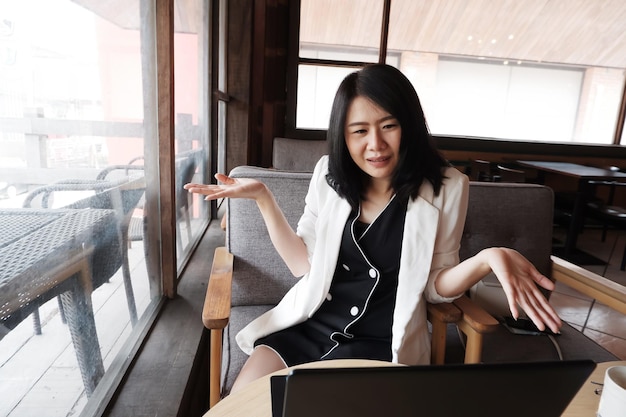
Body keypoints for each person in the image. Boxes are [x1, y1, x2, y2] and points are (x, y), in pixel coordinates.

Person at [184, 63, 562, 393]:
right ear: (342, 135)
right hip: (308, 326)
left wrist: (486, 259)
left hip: (381, 341)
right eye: (359, 131)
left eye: (389, 126)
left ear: (409, 126)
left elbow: (434, 286)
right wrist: (264, 198)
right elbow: (304, 267)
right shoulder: (328, 175)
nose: (376, 144)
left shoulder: (448, 187)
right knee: (244, 405)